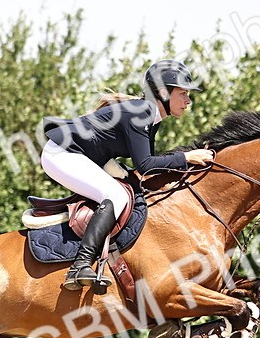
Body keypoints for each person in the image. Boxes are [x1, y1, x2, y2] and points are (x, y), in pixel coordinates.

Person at [40, 59, 215, 290]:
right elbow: (146, 165)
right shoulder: (141, 112)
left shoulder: (152, 118)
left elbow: (142, 170)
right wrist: (187, 158)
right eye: (183, 93)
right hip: (61, 154)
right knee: (115, 195)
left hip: (89, 158)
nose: (188, 101)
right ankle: (80, 265)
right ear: (163, 92)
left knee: (127, 191)